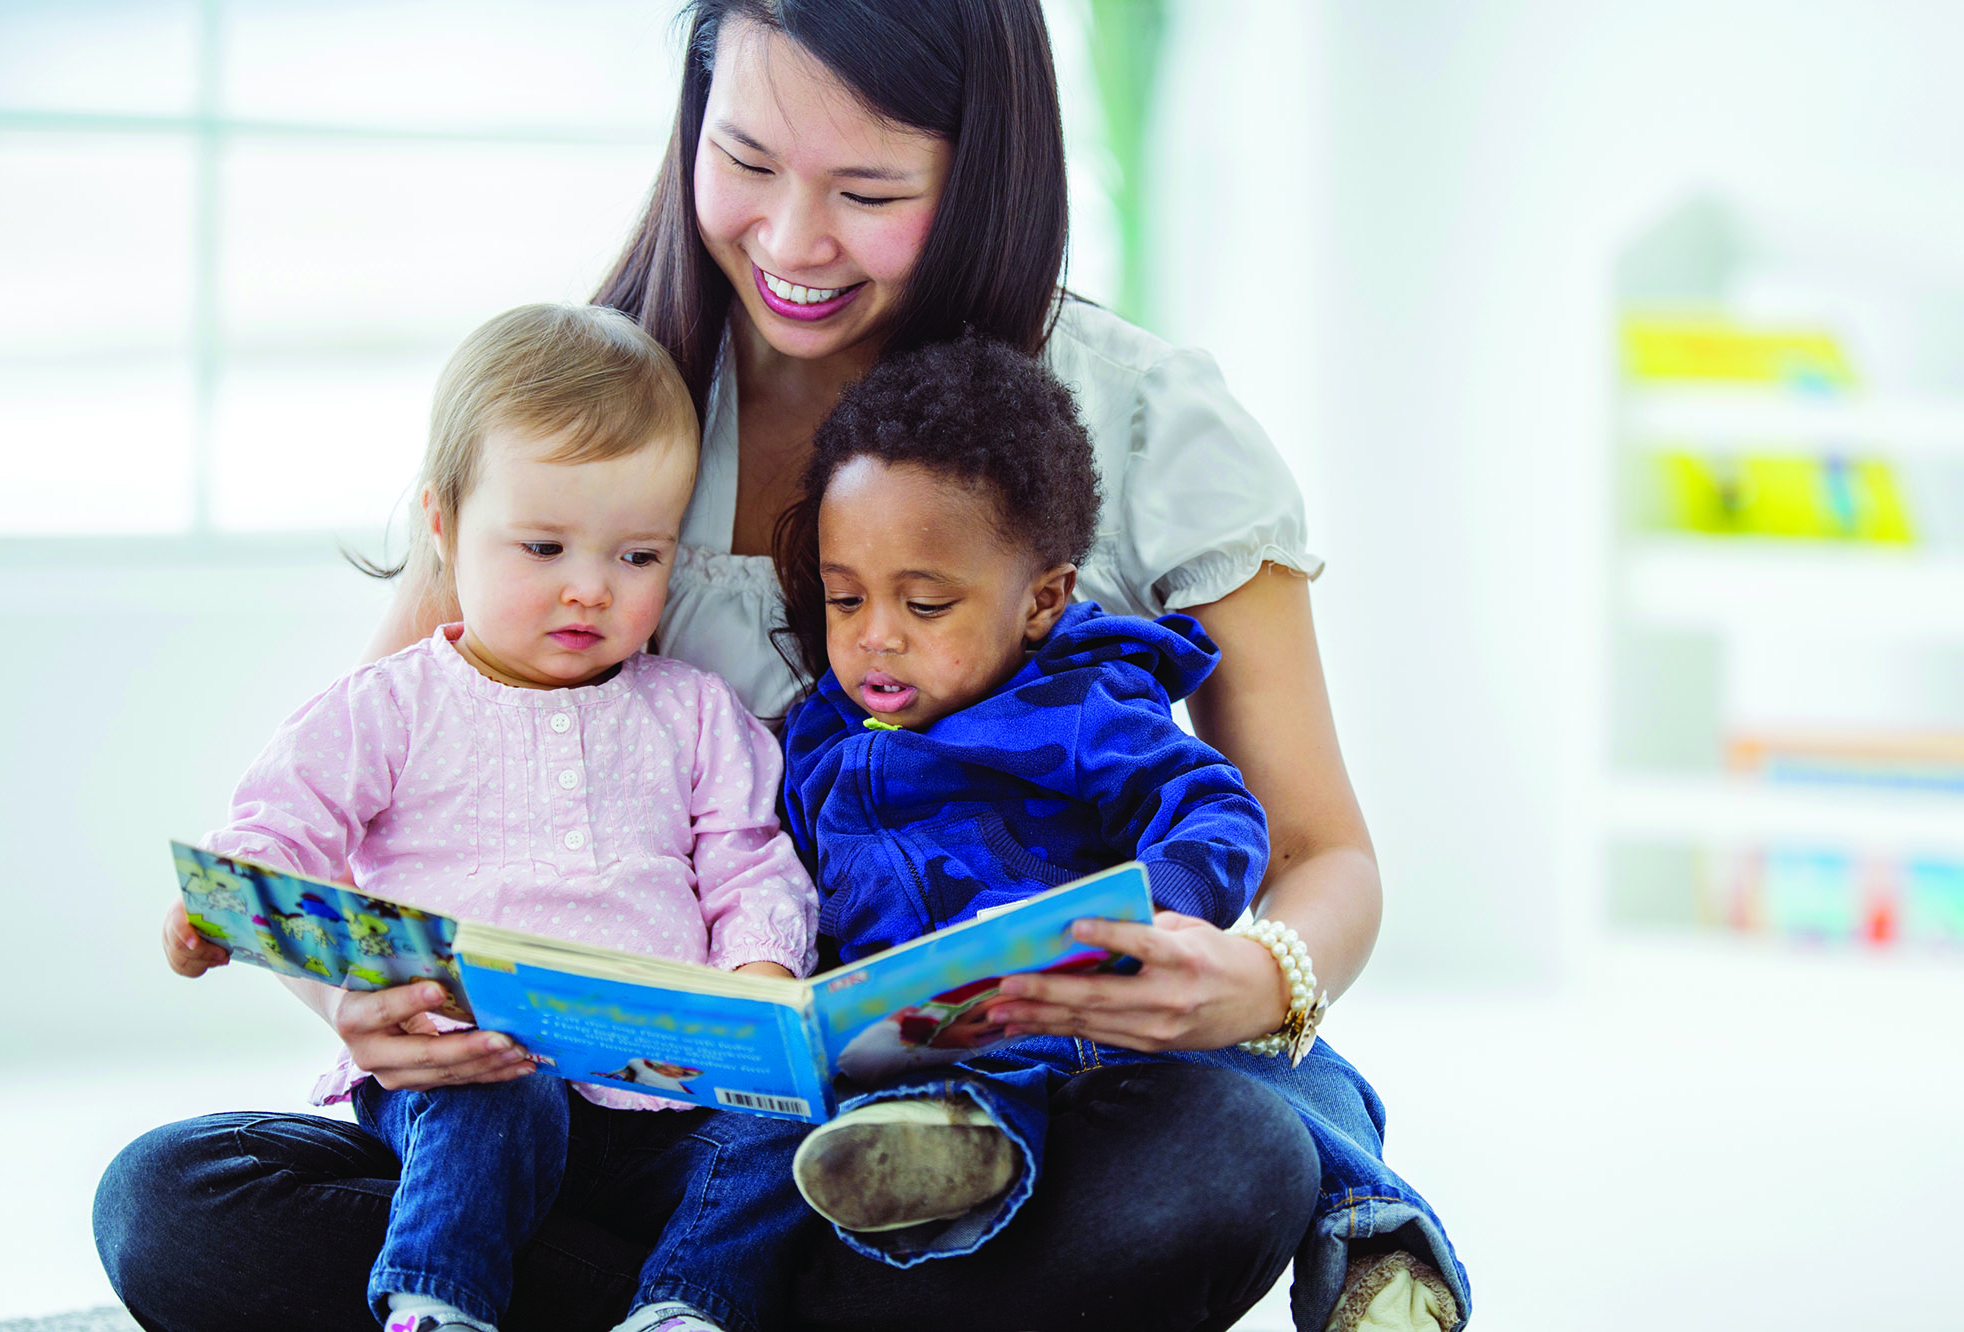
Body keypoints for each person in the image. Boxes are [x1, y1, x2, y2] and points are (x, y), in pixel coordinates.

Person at [96, 3, 1470, 1329]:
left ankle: (710, 1294)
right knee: (172, 1204)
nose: (792, 240)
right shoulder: (586, 413)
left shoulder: (1151, 421)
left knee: (1226, 1157)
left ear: (983, 171)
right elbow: (376, 750)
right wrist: (360, 1002)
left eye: (867, 189)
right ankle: (721, 1300)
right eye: (745, 161)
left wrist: (1266, 976)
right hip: (583, 1128)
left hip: (955, 1130)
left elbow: (1319, 850)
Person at [153, 302, 823, 1332]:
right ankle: (439, 1303)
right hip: (464, 1087)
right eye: (544, 547)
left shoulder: (691, 711)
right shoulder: (387, 709)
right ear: (444, 525)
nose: (590, 591)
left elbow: (750, 866)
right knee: (180, 1188)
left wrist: (760, 989)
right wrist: (223, 920)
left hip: (666, 1104)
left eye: (639, 558)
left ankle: (685, 1307)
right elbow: (269, 846)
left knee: (790, 1137)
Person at [765, 331, 1314, 1259]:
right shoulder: (817, 739)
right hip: (905, 1042)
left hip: (1079, 1011)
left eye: (925, 606)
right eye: (844, 600)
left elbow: (1215, 812)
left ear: (1042, 600)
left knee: (1290, 1075)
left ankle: (1370, 1229)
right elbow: (784, 877)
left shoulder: (1081, 708)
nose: (875, 639)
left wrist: (1158, 911)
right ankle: (929, 1173)